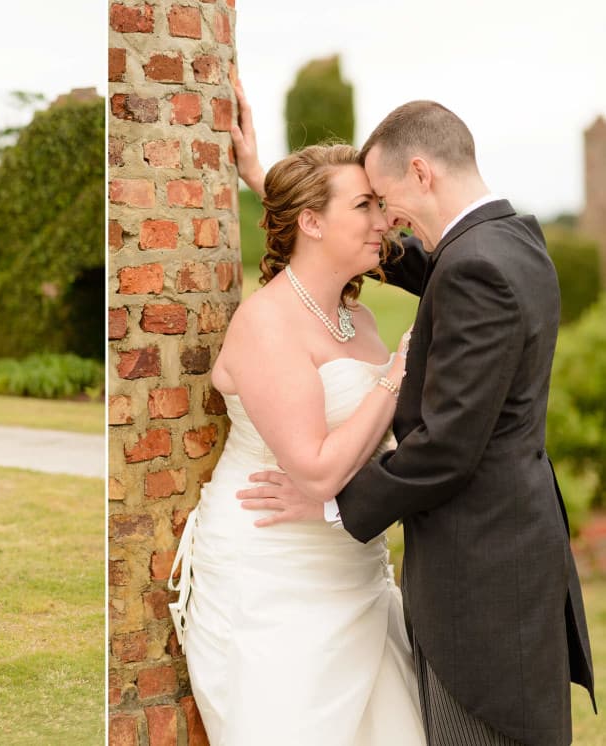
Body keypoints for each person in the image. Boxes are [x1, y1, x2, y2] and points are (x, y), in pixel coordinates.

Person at [231, 84, 594, 744]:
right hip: (512, 547)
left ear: (419, 172)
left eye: (382, 198)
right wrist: (276, 188)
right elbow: (421, 263)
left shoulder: (475, 265)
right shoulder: (510, 240)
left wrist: (332, 507)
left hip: (481, 574)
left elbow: (446, 447)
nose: (384, 219)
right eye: (365, 206)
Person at [166, 83, 425, 739]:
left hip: (353, 566)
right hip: (272, 567)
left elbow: (373, 450)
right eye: (365, 205)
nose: (383, 220)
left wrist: (261, 176)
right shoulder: (266, 324)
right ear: (311, 222)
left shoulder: (357, 316)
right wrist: (393, 376)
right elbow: (312, 471)